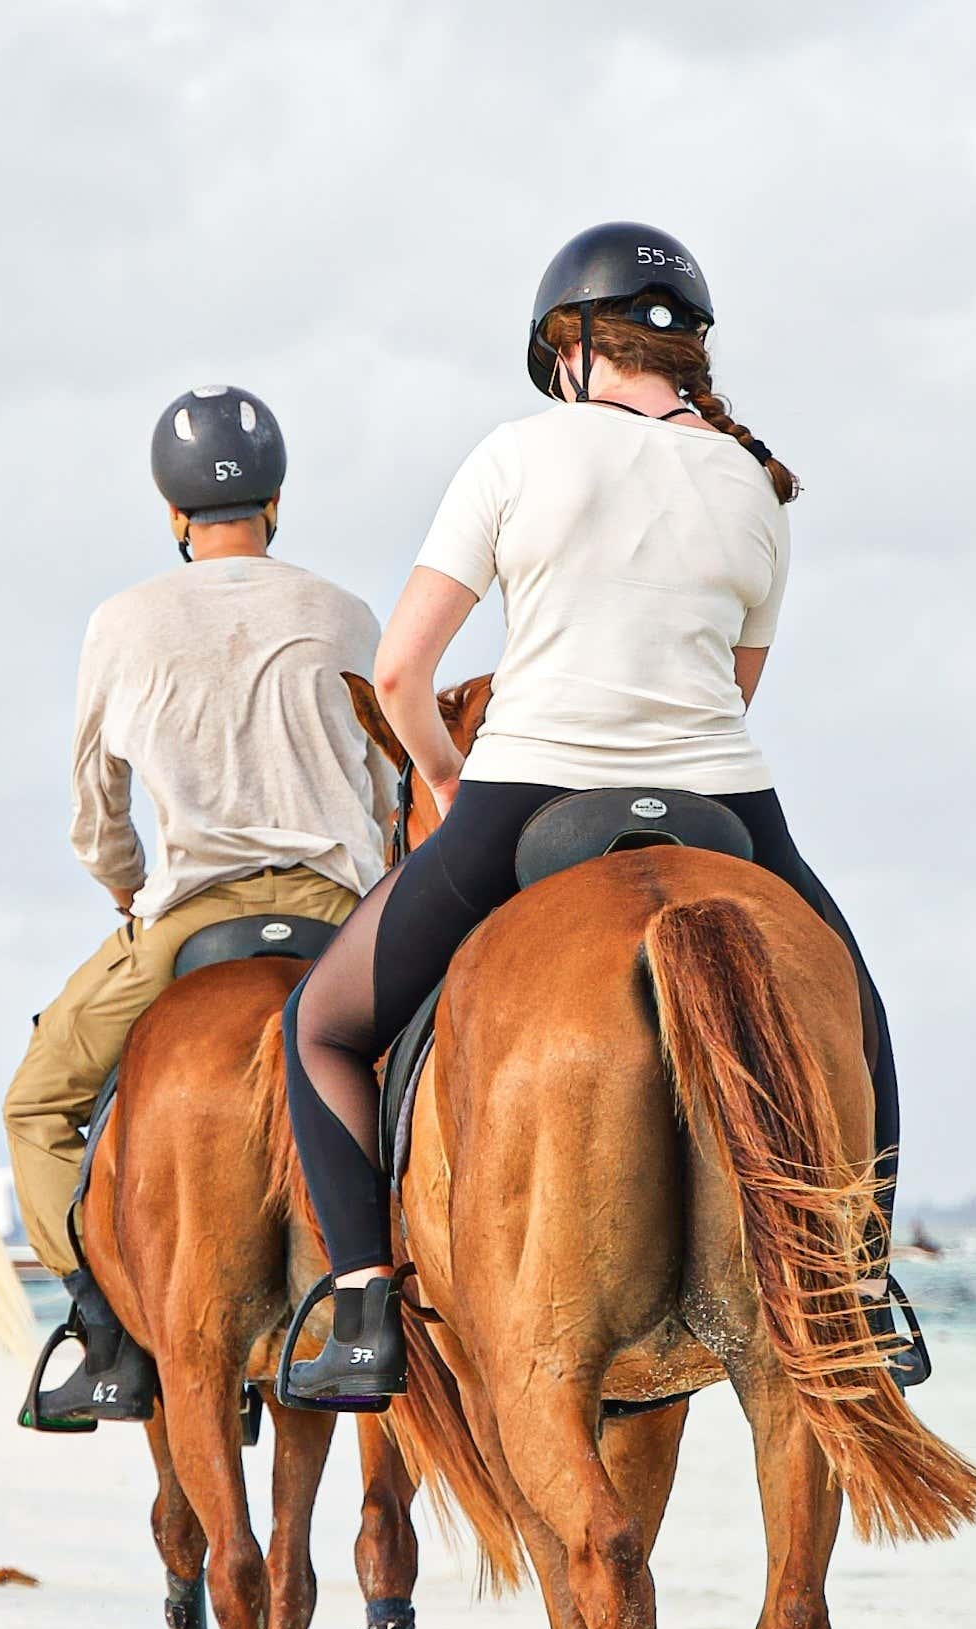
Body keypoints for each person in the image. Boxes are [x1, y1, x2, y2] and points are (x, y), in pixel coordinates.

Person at [274, 221, 910, 1411]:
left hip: (528, 794)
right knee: (861, 1029)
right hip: (728, 808)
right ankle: (863, 1290)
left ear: (569, 348)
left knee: (321, 1028)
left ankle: (363, 1307)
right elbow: (734, 690)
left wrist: (449, 779)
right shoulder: (762, 486)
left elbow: (405, 675)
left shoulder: (517, 454)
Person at [1, 386, 393, 1433]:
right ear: (277, 500)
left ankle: (106, 1328)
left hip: (188, 921)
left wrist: (124, 885)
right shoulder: (344, 611)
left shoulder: (122, 623)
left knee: (37, 1107)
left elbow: (95, 808)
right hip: (338, 914)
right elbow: (385, 788)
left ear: (173, 513)